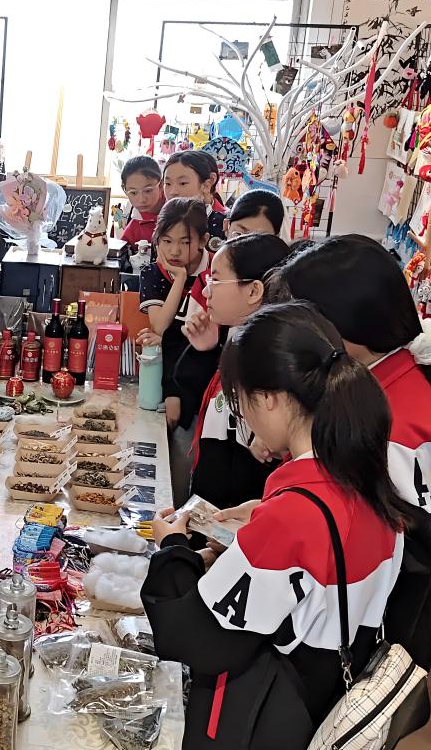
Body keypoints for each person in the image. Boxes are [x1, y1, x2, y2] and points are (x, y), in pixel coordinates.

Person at [143, 302, 405, 750]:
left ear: (267, 398)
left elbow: (193, 637)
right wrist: (257, 527)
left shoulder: (291, 517)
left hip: (259, 720)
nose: (244, 416)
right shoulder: (369, 480)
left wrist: (173, 549)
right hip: (320, 702)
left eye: (240, 401)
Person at [262, 234, 431, 666]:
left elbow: (375, 553)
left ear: (344, 327)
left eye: (302, 321)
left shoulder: (388, 425)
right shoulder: (390, 385)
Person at [182, 234, 290, 508]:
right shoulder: (234, 339)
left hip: (234, 517)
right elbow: (203, 404)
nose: (206, 291)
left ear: (254, 291)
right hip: (210, 506)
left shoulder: (271, 362)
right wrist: (205, 351)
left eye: (216, 280)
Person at [137, 198, 219, 504]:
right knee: (165, 456)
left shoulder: (216, 273)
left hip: (205, 381)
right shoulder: (154, 272)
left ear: (202, 240)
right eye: (167, 241)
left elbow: (204, 340)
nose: (174, 251)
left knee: (193, 459)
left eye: (185, 242)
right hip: (168, 376)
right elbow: (160, 326)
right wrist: (180, 278)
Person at [163, 150, 227, 247]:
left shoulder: (226, 224)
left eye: (182, 183)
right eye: (168, 184)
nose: (172, 192)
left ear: (207, 184)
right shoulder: (162, 220)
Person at [119, 155, 165, 246]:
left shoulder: (179, 211)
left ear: (161, 185)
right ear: (124, 189)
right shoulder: (133, 226)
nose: (141, 200)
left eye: (148, 191)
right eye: (133, 193)